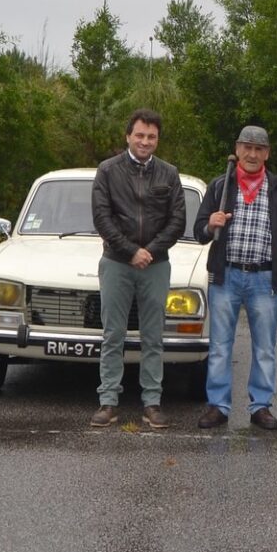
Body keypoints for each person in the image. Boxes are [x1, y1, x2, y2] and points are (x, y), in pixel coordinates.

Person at [192, 125, 277, 430]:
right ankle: (218, 405)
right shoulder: (220, 186)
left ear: (267, 153)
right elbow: (199, 230)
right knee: (220, 346)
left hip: (264, 278)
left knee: (265, 348)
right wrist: (211, 224)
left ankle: (260, 406)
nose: (253, 154)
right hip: (226, 276)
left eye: (259, 149)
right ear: (238, 149)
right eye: (247, 147)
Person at [89, 109, 186, 430]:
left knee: (153, 337)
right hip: (116, 263)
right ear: (128, 136)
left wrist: (150, 252)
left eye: (151, 136)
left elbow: (177, 221)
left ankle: (152, 403)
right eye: (140, 135)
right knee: (113, 335)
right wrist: (131, 252)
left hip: (156, 265)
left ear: (158, 140)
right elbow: (102, 217)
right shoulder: (107, 170)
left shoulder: (169, 174)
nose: (145, 141)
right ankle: (108, 401)